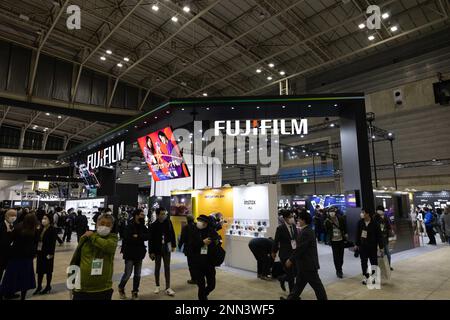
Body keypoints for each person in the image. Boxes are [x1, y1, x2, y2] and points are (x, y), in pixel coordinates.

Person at [69, 213, 118, 300]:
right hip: (82, 287)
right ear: (96, 224)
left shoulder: (112, 238)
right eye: (102, 223)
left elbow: (108, 246)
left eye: (108, 225)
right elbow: (76, 259)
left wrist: (92, 236)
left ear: (112, 227)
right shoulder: (85, 238)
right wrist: (71, 280)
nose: (105, 226)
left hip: (103, 288)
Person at [283, 210, 327, 300]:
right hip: (304, 265)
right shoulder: (306, 230)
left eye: (299, 219)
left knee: (317, 287)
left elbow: (300, 249)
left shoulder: (306, 232)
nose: (297, 220)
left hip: (308, 265)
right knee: (298, 286)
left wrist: (290, 259)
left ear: (304, 220)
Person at [0, 213, 38, 300]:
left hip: (15, 256)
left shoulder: (18, 227)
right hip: (27, 258)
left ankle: (6, 292)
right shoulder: (34, 230)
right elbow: (35, 243)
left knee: (11, 276)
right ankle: (22, 296)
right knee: (25, 278)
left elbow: (11, 239)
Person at [118, 209, 150, 300]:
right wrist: (139, 237)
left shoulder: (142, 226)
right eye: (141, 214)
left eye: (143, 215)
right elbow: (127, 238)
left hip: (139, 254)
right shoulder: (129, 225)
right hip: (129, 253)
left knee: (138, 274)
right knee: (128, 274)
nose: (143, 216)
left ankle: (135, 292)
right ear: (136, 215)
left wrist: (137, 236)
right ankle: (121, 288)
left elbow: (147, 236)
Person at [187, 215, 220, 300]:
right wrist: (202, 242)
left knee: (212, 285)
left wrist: (215, 241)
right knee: (201, 285)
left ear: (206, 223)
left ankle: (203, 294)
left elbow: (217, 240)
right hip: (197, 263)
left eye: (201, 221)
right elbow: (190, 246)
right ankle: (202, 297)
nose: (199, 222)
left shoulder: (211, 231)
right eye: (198, 220)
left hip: (209, 263)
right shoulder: (193, 231)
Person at [148, 207, 176, 296]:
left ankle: (168, 287)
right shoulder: (153, 225)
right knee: (157, 267)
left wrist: (173, 245)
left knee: (167, 267)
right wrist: (151, 251)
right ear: (157, 215)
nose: (164, 215)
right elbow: (150, 240)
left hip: (167, 248)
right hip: (157, 249)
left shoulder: (168, 222)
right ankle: (157, 285)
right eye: (162, 214)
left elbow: (172, 233)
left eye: (164, 214)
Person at [355, 209, 384, 285]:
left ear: (368, 214)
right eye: (361, 212)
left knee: (374, 262)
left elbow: (379, 236)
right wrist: (356, 244)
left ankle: (374, 277)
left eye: (363, 212)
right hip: (362, 246)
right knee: (363, 262)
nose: (361, 214)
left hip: (372, 246)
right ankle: (365, 276)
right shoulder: (360, 222)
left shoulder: (375, 224)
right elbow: (357, 234)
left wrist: (381, 247)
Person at [272, 209, 298, 293]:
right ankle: (292, 295)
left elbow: (296, 239)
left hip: (294, 253)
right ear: (285, 218)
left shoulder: (294, 226)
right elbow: (276, 241)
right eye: (290, 217)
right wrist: (274, 252)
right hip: (285, 254)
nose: (292, 218)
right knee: (290, 276)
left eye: (292, 216)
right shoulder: (280, 228)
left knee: (294, 274)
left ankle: (281, 279)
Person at [34, 214, 57, 295]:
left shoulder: (52, 229)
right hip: (40, 252)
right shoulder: (40, 228)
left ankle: (48, 286)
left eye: (45, 218)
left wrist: (51, 253)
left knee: (48, 270)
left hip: (48, 253)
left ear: (49, 220)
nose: (43, 220)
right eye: (43, 218)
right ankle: (39, 286)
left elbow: (53, 243)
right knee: (39, 270)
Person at [324, 208, 348, 278]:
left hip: (341, 239)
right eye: (330, 212)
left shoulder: (340, 218)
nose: (332, 213)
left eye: (333, 212)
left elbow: (344, 227)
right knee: (336, 256)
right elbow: (326, 230)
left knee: (341, 256)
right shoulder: (327, 221)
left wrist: (346, 233)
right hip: (333, 241)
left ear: (335, 212)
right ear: (328, 213)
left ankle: (340, 267)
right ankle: (338, 270)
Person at [178, 214, 197, 284]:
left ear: (187, 220)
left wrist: (179, 246)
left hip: (189, 249)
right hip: (197, 248)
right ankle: (199, 278)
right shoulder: (197, 226)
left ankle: (194, 279)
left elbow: (182, 238)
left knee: (191, 264)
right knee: (197, 263)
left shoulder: (185, 228)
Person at [374, 206, 394, 270]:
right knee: (378, 253)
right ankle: (379, 267)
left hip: (384, 238)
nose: (379, 212)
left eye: (380, 210)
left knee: (387, 252)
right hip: (377, 238)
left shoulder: (385, 217)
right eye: (378, 210)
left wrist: (390, 231)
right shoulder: (374, 217)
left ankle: (388, 266)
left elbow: (388, 226)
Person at [0, 210, 17, 283]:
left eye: (15, 216)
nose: (13, 217)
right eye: (11, 216)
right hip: (1, 254)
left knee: (9, 273)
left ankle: (7, 291)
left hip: (10, 254)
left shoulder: (13, 226)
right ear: (6, 216)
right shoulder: (1, 226)